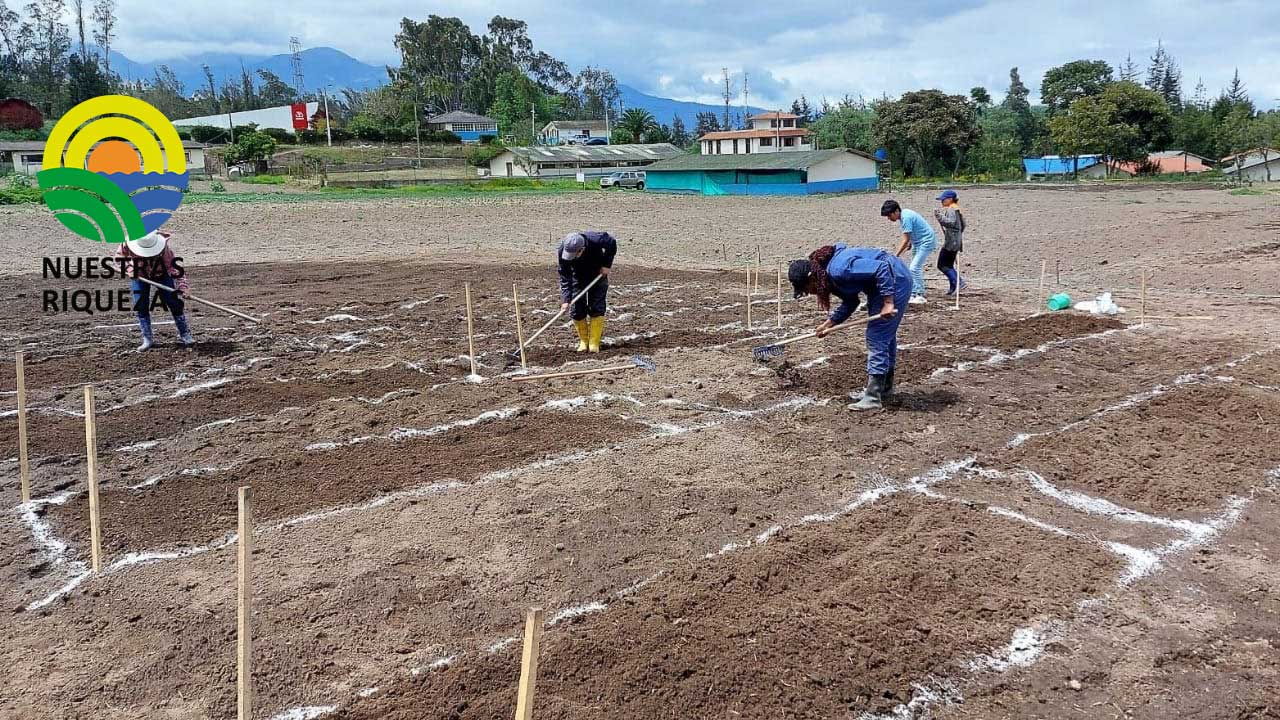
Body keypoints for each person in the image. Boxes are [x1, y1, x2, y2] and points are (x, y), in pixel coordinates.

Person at [787, 243, 913, 411]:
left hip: (895, 279)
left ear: (811, 278)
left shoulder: (839, 269)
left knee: (877, 336)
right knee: (884, 335)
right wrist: (828, 324)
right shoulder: (829, 277)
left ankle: (873, 397)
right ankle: (884, 389)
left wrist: (888, 302)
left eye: (806, 289)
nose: (810, 293)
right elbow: (851, 301)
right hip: (881, 284)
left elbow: (881, 268)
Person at [116, 230, 193, 351]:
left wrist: (183, 287)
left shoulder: (164, 250)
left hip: (161, 275)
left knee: (173, 301)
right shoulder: (127, 244)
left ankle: (185, 334)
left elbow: (174, 268)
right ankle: (147, 339)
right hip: (139, 275)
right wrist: (129, 269)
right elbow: (119, 258)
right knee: (140, 304)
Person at [557, 230, 617, 353]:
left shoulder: (597, 239)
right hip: (577, 277)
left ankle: (594, 342)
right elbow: (565, 275)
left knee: (597, 307)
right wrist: (566, 299)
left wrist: (607, 265)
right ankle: (584, 341)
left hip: (597, 274)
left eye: (574, 254)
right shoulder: (563, 250)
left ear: (581, 250)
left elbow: (612, 243)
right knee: (577, 309)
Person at [881, 199, 937, 305]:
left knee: (914, 268)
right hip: (918, 242)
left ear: (896, 211)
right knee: (913, 268)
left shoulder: (906, 218)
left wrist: (896, 255)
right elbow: (910, 233)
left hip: (926, 241)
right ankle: (914, 292)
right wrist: (910, 242)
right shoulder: (904, 215)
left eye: (889, 215)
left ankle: (920, 294)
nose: (888, 218)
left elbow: (905, 240)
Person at [933, 189, 967, 296]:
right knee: (949, 265)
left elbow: (951, 223)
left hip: (951, 242)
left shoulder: (952, 209)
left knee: (942, 265)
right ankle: (952, 287)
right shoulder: (957, 209)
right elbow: (963, 225)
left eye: (943, 199)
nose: (942, 201)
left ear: (950, 199)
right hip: (956, 241)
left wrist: (939, 216)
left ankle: (958, 282)